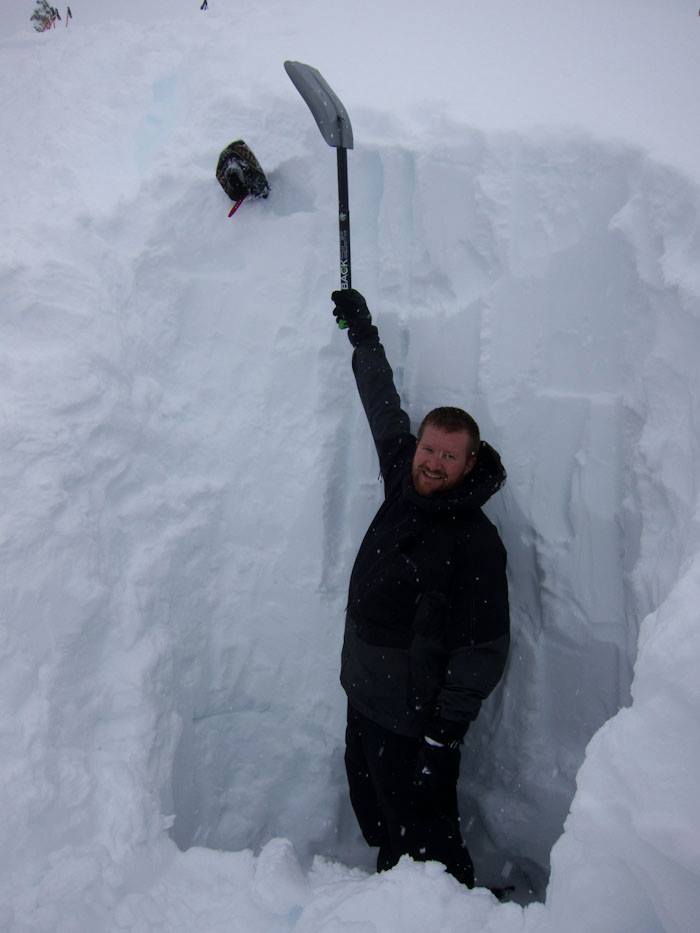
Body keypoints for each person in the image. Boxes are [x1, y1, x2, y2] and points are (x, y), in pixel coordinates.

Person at [331, 288, 510, 888]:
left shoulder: (474, 540)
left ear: (469, 462)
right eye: (429, 448)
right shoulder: (403, 479)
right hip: (363, 696)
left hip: (413, 723)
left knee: (425, 847)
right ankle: (389, 899)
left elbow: (482, 653)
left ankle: (447, 911)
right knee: (379, 820)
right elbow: (381, 406)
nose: (433, 462)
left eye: (448, 457)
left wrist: (442, 738)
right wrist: (363, 335)